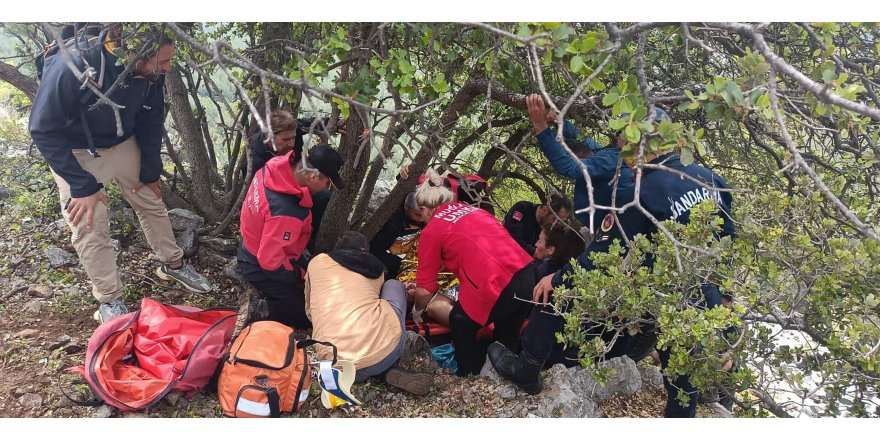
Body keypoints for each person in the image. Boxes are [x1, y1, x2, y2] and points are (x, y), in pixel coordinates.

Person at [28, 27, 212, 323]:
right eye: (162, 63)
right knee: (89, 221)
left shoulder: (151, 72)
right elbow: (42, 129)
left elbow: (152, 118)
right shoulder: (73, 65)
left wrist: (150, 169)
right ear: (137, 56)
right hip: (79, 151)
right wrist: (81, 185)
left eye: (168, 62)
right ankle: (109, 301)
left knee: (150, 200)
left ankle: (173, 265)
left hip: (123, 141)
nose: (168, 68)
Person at [407, 170, 535, 376]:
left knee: (461, 322)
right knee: (507, 333)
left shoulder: (432, 230)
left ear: (424, 209)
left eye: (421, 214)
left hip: (496, 284)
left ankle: (470, 375)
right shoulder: (474, 211)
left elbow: (425, 290)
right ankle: (504, 372)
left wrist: (417, 312)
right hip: (527, 274)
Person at [305, 231, 433, 395]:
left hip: (333, 363)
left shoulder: (316, 263)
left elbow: (310, 312)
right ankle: (387, 368)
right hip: (382, 355)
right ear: (365, 251)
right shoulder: (375, 270)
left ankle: (381, 371)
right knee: (393, 285)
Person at [237, 145, 345, 329]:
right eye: (327, 183)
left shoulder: (271, 169)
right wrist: (300, 276)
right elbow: (271, 264)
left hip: (252, 243)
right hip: (258, 264)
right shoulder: (287, 211)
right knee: (309, 313)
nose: (327, 188)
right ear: (313, 176)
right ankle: (260, 309)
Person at [369, 192, 427, 277]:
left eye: (424, 215)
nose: (421, 219)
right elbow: (376, 251)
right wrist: (402, 264)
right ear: (406, 207)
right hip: (392, 268)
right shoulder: (393, 225)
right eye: (417, 215)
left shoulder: (423, 221)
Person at [504, 193, 572, 258]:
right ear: (544, 210)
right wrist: (535, 252)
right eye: (555, 219)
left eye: (561, 222)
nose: (555, 224)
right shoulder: (522, 209)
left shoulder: (551, 232)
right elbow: (512, 237)